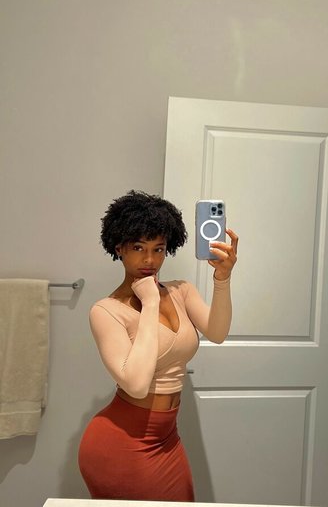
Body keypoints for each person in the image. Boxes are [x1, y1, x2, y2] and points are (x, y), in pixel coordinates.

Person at [78, 190, 238, 501]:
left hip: (167, 438)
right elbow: (137, 385)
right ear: (119, 248)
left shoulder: (181, 291)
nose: (149, 260)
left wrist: (222, 278)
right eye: (138, 248)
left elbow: (218, 333)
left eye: (158, 249)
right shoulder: (106, 311)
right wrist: (150, 302)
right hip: (121, 443)